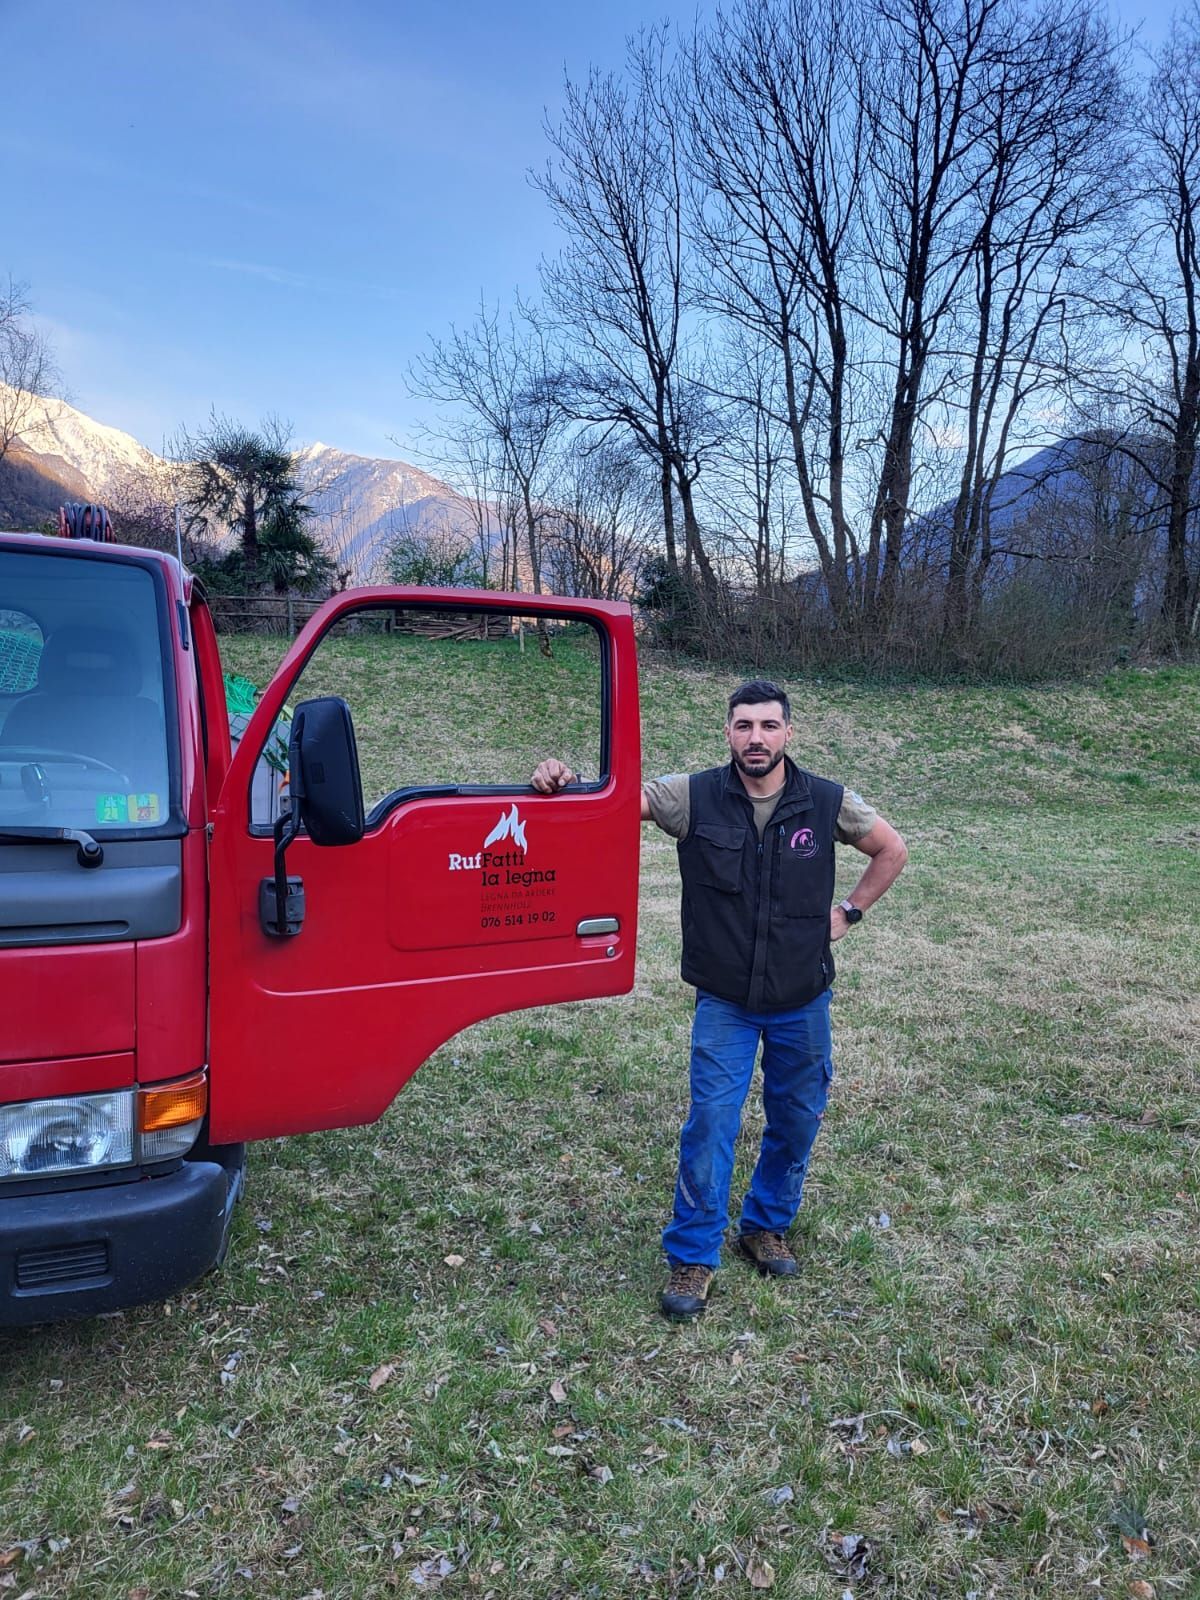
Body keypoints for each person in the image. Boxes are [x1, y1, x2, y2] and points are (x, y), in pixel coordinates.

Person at [532, 679, 907, 1321]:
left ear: (790, 732)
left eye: (768, 725)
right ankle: (694, 1255)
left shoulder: (827, 802)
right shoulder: (693, 796)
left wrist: (848, 912)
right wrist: (559, 778)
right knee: (711, 1123)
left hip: (802, 998)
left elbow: (891, 849)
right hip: (726, 1000)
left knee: (795, 1118)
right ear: (728, 732)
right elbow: (609, 805)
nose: (755, 738)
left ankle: (764, 1224)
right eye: (743, 726)